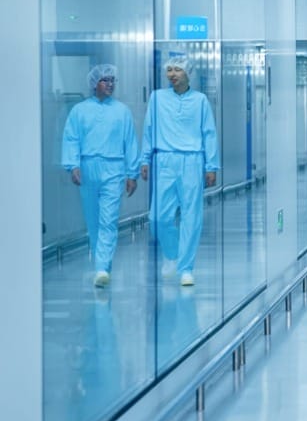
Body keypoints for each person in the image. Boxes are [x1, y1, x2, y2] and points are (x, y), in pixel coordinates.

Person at [140, 56, 219, 286]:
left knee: (191, 217)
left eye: (177, 70)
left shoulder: (200, 100)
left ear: (188, 73)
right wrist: (144, 160)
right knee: (157, 218)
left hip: (193, 161)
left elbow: (209, 133)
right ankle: (172, 255)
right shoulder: (157, 98)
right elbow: (149, 129)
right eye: (169, 70)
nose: (172, 74)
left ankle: (186, 268)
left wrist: (211, 165)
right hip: (164, 160)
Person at [61, 64, 139, 288]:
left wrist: (131, 173)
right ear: (95, 83)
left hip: (113, 170)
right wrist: (72, 165)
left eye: (113, 80)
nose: (110, 84)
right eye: (105, 80)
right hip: (87, 168)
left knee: (109, 219)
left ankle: (102, 268)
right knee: (93, 221)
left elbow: (130, 142)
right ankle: (102, 265)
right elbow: (71, 139)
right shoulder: (79, 111)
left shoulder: (122, 111)